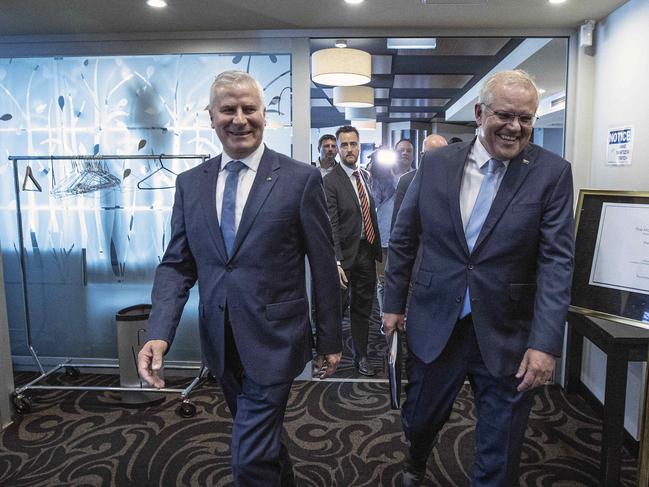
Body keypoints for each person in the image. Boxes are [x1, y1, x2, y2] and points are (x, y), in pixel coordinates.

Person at [137, 70, 342, 487]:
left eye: (249, 108)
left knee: (247, 460)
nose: (239, 119)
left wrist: (331, 339)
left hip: (277, 340)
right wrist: (158, 332)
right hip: (220, 343)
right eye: (228, 109)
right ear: (210, 116)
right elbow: (178, 265)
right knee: (262, 441)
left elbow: (323, 265)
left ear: (264, 115)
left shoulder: (300, 179)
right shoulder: (190, 184)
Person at [383, 69, 574, 487]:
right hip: (437, 321)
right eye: (504, 115)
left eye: (526, 119)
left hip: (509, 329)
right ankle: (416, 460)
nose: (514, 127)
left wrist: (544, 344)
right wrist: (393, 303)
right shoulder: (435, 165)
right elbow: (404, 236)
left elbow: (557, 262)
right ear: (478, 113)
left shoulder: (552, 173)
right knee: (420, 417)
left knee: (501, 443)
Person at [324, 125, 382, 376]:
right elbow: (332, 224)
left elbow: (369, 214)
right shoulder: (330, 181)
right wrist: (336, 260)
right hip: (343, 258)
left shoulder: (365, 176)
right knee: (336, 310)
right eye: (344, 145)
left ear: (359, 146)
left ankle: (362, 356)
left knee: (363, 309)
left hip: (366, 253)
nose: (349, 149)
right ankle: (330, 354)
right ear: (337, 148)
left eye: (353, 144)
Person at [391, 134, 448, 229]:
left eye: (443, 154)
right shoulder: (407, 181)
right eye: (435, 153)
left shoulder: (453, 180)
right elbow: (398, 223)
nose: (439, 158)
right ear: (422, 155)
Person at [367, 148, 397, 328]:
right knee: (382, 280)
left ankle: (396, 311)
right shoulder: (373, 179)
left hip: (399, 235)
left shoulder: (399, 176)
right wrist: (375, 174)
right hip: (381, 233)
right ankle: (383, 314)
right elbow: (373, 202)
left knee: (398, 278)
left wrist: (392, 173)